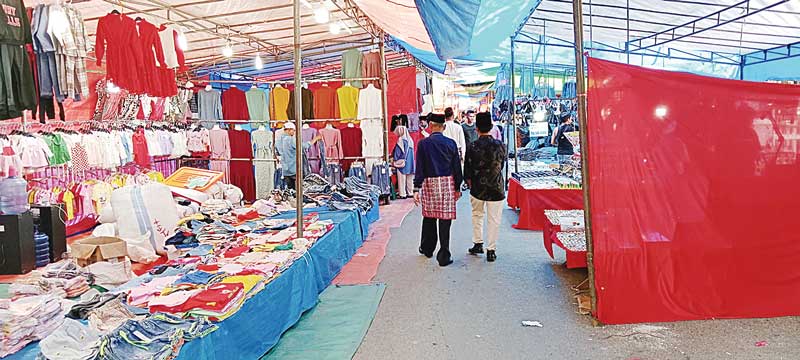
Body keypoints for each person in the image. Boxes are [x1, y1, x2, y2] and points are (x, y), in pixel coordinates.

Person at [414, 113, 463, 267]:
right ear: (444, 126)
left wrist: (416, 188)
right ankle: (444, 254)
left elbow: (420, 168)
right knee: (445, 219)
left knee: (429, 216)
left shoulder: (423, 144)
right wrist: (458, 187)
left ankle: (428, 248)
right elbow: (457, 168)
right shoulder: (451, 144)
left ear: (430, 126)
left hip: (429, 183)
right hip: (447, 182)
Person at [464, 112, 507, 262]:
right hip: (496, 187)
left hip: (477, 188)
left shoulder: (472, 146)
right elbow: (502, 165)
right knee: (494, 219)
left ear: (476, 129)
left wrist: (469, 182)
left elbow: (467, 169)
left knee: (477, 215)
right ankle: (491, 250)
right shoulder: (500, 145)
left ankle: (478, 243)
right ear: (491, 127)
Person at [279, 122, 321, 190]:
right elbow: (304, 146)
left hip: (286, 170)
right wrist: (315, 139)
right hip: (294, 170)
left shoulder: (279, 140)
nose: (294, 132)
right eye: (294, 130)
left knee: (290, 191)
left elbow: (277, 152)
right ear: (289, 130)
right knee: (298, 191)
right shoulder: (291, 139)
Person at [392, 125, 415, 199]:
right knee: (410, 179)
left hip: (402, 162)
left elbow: (398, 152)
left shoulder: (400, 140)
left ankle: (403, 194)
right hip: (410, 162)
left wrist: (395, 160)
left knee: (401, 179)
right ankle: (410, 192)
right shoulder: (410, 140)